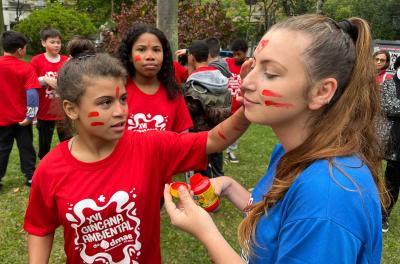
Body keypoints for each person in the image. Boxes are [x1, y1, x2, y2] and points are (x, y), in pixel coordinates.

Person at [164, 14, 387, 263]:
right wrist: (228, 185)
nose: (247, 82)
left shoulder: (327, 198)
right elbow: (277, 218)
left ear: (321, 91)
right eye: (254, 65)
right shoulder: (291, 151)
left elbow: (305, 213)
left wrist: (206, 232)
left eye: (270, 73)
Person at [23, 52, 250, 263]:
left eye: (123, 99)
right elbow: (40, 228)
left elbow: (213, 140)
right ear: (72, 109)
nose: (121, 111)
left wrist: (248, 107)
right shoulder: (50, 169)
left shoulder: (150, 146)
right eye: (105, 102)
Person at [118, 23, 193, 133]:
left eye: (156, 50)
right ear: (129, 55)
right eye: (141, 49)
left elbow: (183, 137)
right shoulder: (118, 91)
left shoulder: (173, 93)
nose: (150, 57)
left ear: (164, 55)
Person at [184, 40, 231, 178]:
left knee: (199, 175)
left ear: (191, 57)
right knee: (216, 167)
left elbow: (188, 112)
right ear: (208, 55)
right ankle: (218, 184)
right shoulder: (221, 77)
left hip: (199, 137)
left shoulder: (194, 82)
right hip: (219, 132)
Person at [0, 31, 40, 188]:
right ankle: (30, 177)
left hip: (2, 119)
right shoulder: (26, 68)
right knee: (26, 147)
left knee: (2, 149)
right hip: (22, 120)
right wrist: (30, 117)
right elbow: (32, 95)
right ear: (19, 50)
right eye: (25, 48)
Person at [31, 28, 71, 160]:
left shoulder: (66, 60)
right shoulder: (37, 60)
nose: (56, 45)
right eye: (52, 42)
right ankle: (44, 166)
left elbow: (73, 80)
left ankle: (68, 164)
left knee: (67, 142)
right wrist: (45, 79)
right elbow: (30, 82)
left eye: (58, 42)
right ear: (43, 43)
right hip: (44, 111)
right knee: (44, 145)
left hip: (63, 110)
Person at [379, 56, 400, 232]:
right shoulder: (387, 84)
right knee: (391, 181)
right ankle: (383, 216)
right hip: (392, 141)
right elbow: (389, 107)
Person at [225, 38, 249, 163]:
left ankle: (230, 151)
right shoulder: (227, 63)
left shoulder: (250, 66)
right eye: (234, 54)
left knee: (236, 130)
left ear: (245, 53)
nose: (235, 57)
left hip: (239, 104)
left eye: (238, 54)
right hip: (226, 104)